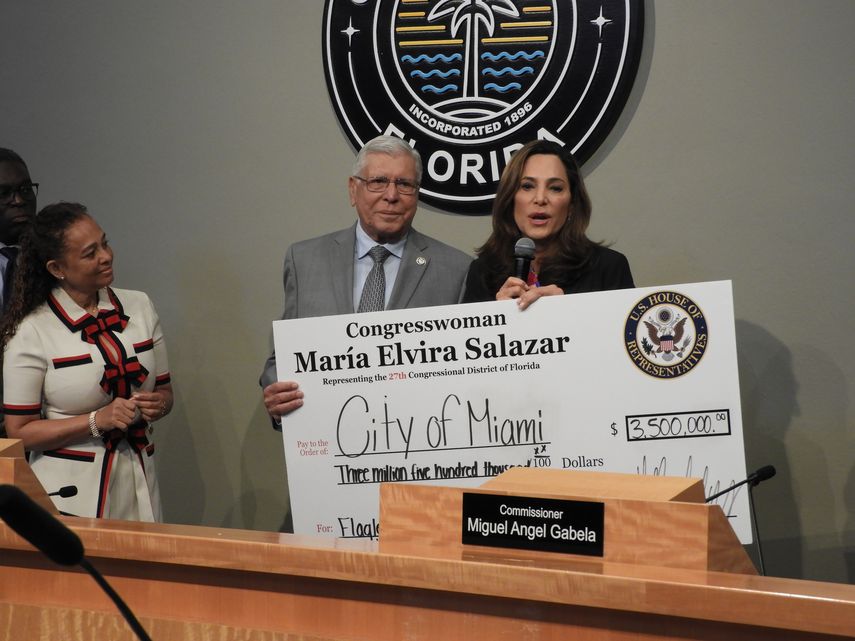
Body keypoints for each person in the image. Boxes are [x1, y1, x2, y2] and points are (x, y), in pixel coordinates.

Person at [260, 135, 472, 423]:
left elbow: (464, 373)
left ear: (417, 194)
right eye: (378, 181)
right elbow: (283, 357)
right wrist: (276, 393)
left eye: (405, 184)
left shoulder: (456, 269)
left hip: (416, 442)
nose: (392, 195)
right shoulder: (305, 260)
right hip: (325, 440)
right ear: (353, 189)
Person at [1, 202, 173, 520]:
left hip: (139, 482)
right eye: (90, 253)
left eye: (104, 243)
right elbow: (19, 431)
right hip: (67, 497)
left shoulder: (141, 305)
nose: (106, 256)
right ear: (57, 269)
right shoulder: (32, 332)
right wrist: (97, 420)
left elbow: (165, 394)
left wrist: (156, 406)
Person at [463, 140, 633, 306]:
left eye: (555, 188)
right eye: (527, 186)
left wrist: (570, 309)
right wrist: (497, 317)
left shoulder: (609, 267)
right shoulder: (482, 271)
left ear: (572, 203)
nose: (540, 199)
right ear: (510, 198)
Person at [0, 148, 39, 438]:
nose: (19, 201)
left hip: (42, 426)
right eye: (4, 193)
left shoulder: (57, 262)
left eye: (25, 189)